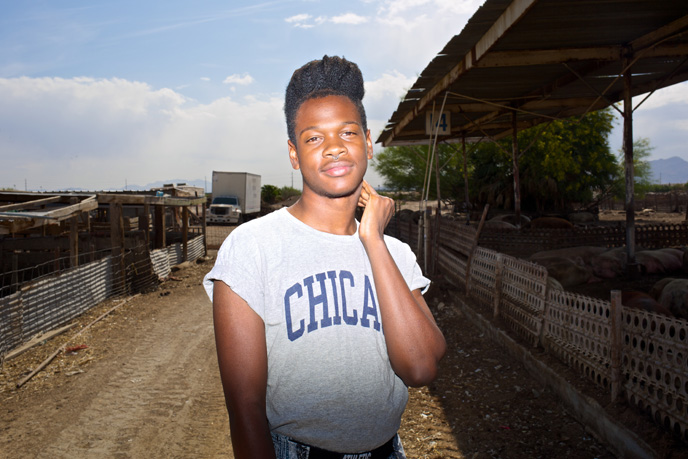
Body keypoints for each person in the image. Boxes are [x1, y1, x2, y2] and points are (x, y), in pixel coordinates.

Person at [203, 55, 446, 459]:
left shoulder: (395, 253)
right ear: (294, 154)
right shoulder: (252, 248)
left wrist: (372, 239)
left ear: (367, 142)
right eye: (314, 137)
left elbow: (420, 368)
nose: (334, 148)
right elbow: (244, 409)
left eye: (348, 132)